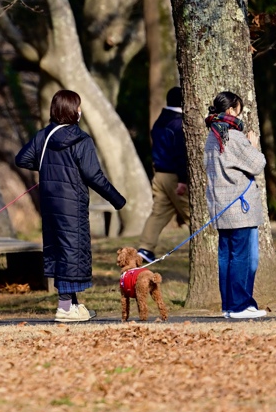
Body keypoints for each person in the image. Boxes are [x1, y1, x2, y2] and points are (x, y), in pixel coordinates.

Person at [16, 90, 126, 323]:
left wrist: (50, 168)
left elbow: (23, 159)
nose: (80, 111)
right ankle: (65, 307)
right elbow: (93, 175)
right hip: (72, 204)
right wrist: (117, 200)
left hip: (49, 202)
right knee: (71, 251)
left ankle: (74, 304)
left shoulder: (44, 136)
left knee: (61, 250)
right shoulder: (81, 139)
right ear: (72, 111)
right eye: (78, 107)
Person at [204, 91, 267, 319]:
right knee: (244, 257)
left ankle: (231, 305)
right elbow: (258, 164)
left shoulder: (212, 135)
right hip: (240, 207)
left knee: (227, 256)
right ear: (231, 110)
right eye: (239, 109)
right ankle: (240, 305)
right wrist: (253, 144)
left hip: (220, 206)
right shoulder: (234, 136)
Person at [137, 86, 190, 264]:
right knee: (192, 212)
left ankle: (145, 247)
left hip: (159, 174)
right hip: (174, 177)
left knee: (159, 213)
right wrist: (183, 180)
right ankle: (211, 246)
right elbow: (180, 154)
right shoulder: (177, 124)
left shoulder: (160, 121)